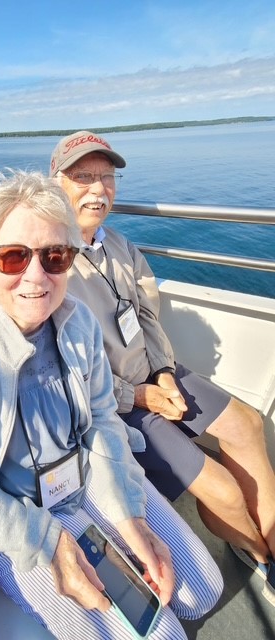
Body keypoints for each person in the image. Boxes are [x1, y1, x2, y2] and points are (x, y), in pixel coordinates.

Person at [0, 171, 222, 640]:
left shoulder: (76, 323)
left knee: (201, 589)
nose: (36, 276)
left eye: (54, 256)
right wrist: (49, 541)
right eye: (14, 256)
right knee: (162, 635)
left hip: (85, 473)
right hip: (14, 510)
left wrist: (130, 516)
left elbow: (101, 420)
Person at [50, 130, 275, 604]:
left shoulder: (120, 246)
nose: (98, 189)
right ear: (56, 184)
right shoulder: (49, 264)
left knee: (248, 424)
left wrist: (165, 373)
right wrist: (139, 395)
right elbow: (63, 369)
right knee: (224, 491)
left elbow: (147, 317)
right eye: (83, 177)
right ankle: (261, 556)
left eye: (106, 178)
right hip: (113, 403)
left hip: (153, 375)